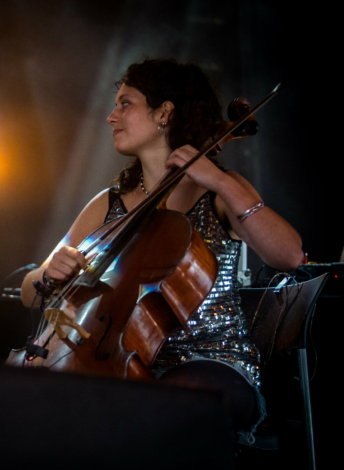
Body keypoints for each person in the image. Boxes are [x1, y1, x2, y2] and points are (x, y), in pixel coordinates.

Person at [19, 59, 303, 434]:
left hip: (209, 360)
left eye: (125, 103)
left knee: (163, 406)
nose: (111, 116)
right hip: (114, 361)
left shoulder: (218, 191)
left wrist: (220, 181)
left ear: (164, 113)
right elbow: (29, 290)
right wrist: (50, 272)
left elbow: (289, 255)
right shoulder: (108, 204)